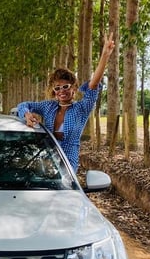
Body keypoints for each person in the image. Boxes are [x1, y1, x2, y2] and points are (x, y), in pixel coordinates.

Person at [16, 33, 115, 171]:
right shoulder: (48, 106)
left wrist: (105, 56)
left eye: (66, 87)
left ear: (74, 88)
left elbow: (93, 85)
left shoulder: (82, 108)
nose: (61, 91)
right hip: (47, 159)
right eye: (57, 88)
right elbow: (23, 105)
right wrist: (26, 114)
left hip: (68, 162)